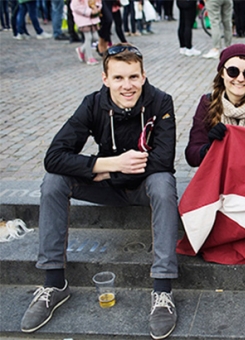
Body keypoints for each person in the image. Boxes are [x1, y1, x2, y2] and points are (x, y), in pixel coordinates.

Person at [20, 43, 180, 340]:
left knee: (163, 184)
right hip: (106, 183)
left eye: (133, 77)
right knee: (54, 181)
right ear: (105, 79)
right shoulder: (93, 104)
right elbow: (54, 156)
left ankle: (162, 291)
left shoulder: (161, 102)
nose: (127, 85)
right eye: (118, 78)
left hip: (141, 187)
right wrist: (107, 164)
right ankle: (54, 284)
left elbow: (163, 162)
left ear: (144, 76)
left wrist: (107, 172)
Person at [71, 0, 102, 65]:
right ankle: (90, 57)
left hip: (92, 18)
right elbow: (76, 7)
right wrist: (89, 11)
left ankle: (81, 49)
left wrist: (96, 7)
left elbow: (98, 2)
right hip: (83, 19)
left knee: (95, 37)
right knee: (88, 38)